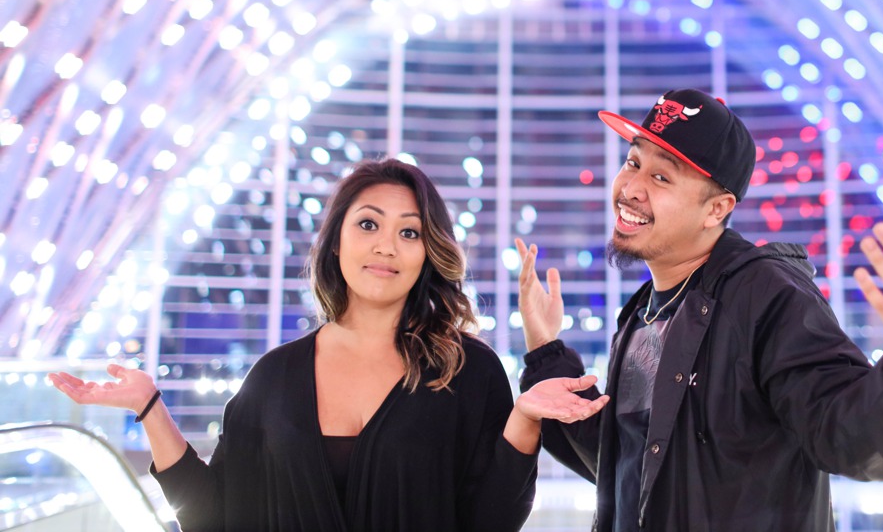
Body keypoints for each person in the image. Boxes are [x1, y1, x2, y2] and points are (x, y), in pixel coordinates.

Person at [517, 88, 883, 531]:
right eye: (632, 162)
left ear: (717, 209)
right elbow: (628, 460)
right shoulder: (644, 312)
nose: (631, 187)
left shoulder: (766, 296)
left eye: (661, 177)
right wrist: (545, 349)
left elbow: (839, 428)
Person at [51, 158, 607, 532]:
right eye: (369, 224)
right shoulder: (274, 377)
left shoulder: (466, 370)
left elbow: (490, 521)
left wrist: (525, 422)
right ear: (336, 240)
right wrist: (150, 408)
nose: (386, 245)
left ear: (426, 253)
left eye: (409, 232)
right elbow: (213, 516)